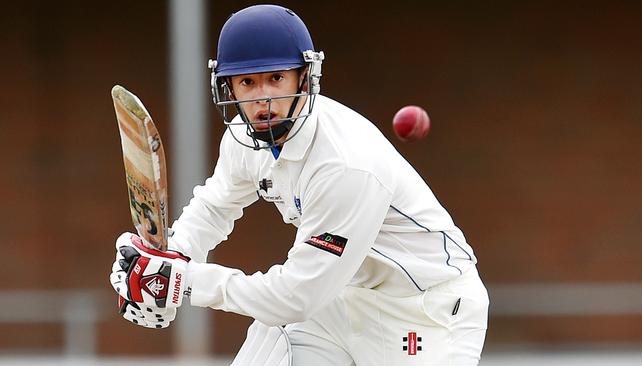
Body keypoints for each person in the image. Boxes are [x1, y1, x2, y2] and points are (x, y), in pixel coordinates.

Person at [110, 4, 489, 366]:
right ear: (229, 89)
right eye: (247, 82)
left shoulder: (345, 164)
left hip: (423, 309)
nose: (264, 99)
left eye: (276, 78)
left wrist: (185, 282)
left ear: (304, 78)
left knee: (288, 306)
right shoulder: (244, 138)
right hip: (339, 299)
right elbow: (213, 208)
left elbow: (295, 297)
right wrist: (164, 258)